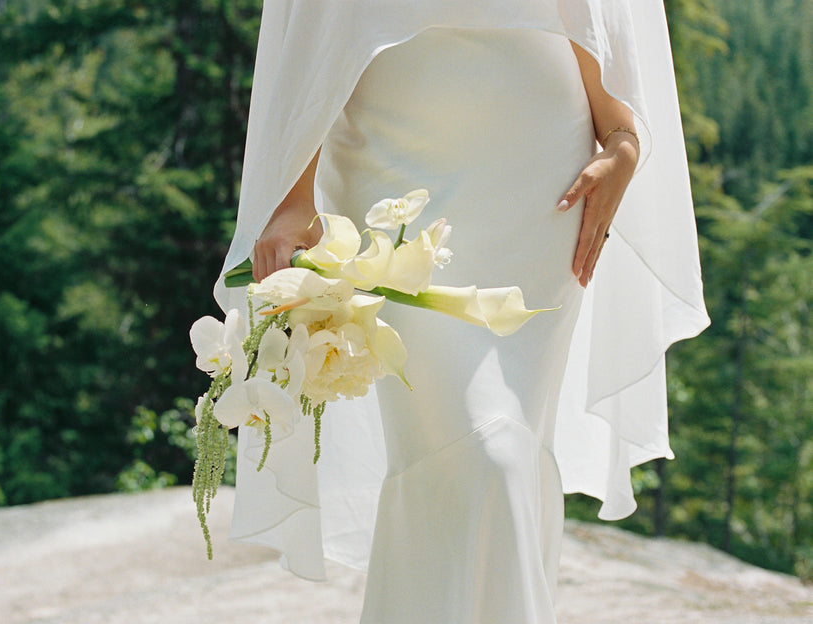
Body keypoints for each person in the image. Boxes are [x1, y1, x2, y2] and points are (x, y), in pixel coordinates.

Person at [214, 2, 710, 622]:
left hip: (539, 173)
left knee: (511, 449)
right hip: (386, 151)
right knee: (475, 453)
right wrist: (293, 194)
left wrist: (621, 132)